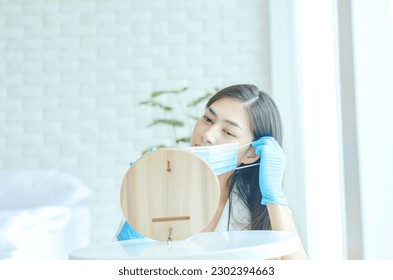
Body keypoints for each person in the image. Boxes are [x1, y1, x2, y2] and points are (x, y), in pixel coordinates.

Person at [116, 84, 308, 260]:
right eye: (208, 119)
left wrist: (274, 198)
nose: (207, 135)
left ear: (251, 153)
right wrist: (141, 206)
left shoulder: (256, 216)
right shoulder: (161, 198)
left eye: (229, 132)